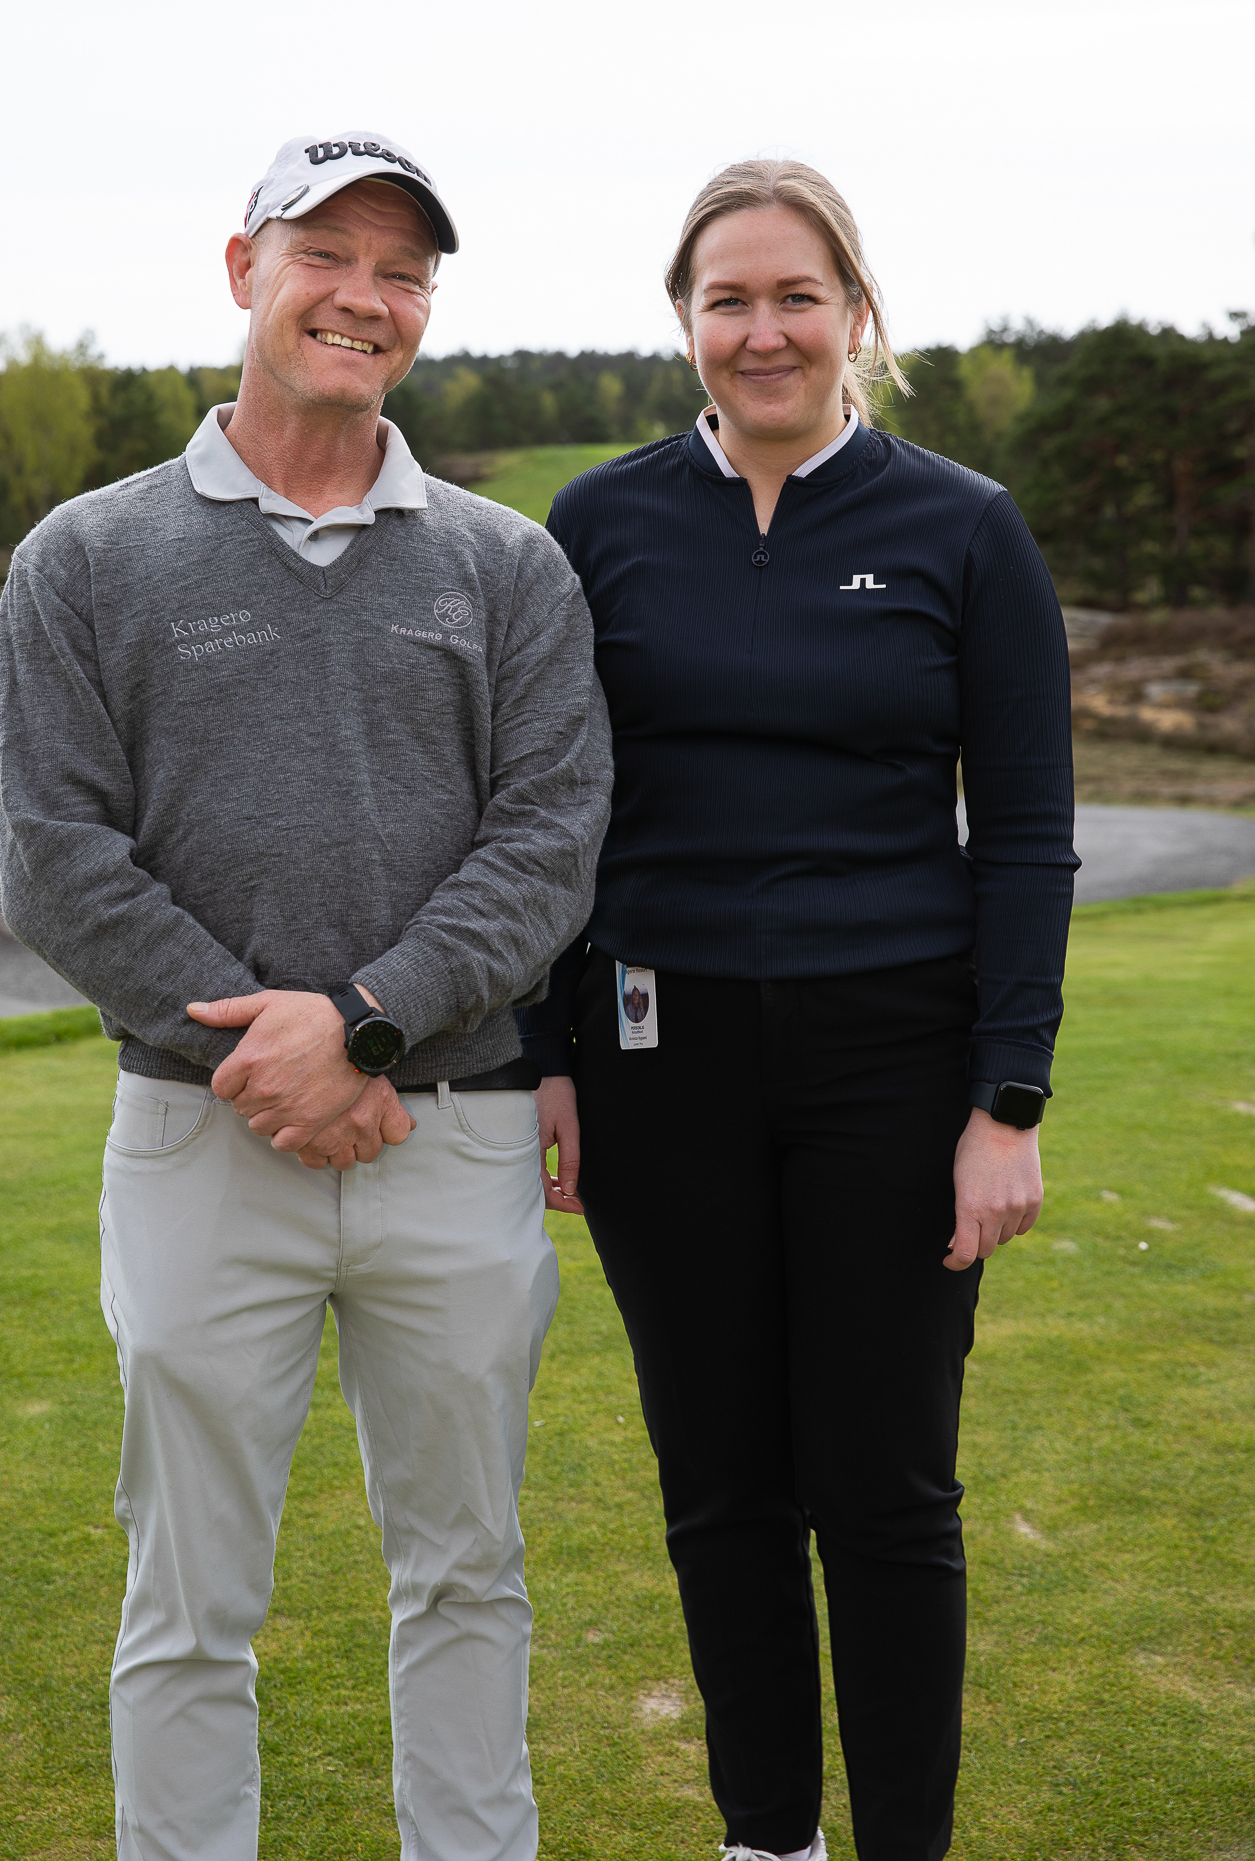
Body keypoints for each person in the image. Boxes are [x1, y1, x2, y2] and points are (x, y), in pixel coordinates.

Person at [0, 129, 612, 1861]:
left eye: (402, 270)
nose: (364, 295)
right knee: (186, 1596)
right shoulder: (85, 558)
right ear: (241, 266)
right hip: (201, 1137)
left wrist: (362, 1021)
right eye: (325, 251)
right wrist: (279, 1049)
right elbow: (54, 855)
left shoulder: (505, 564)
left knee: (467, 1575)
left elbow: (550, 842)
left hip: (452, 1128)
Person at [519, 159, 1077, 1861]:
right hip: (653, 1061)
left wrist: (1006, 1097)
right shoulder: (598, 525)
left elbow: (1030, 831)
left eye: (793, 295)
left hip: (893, 1067)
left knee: (886, 1491)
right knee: (721, 1491)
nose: (760, 332)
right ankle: (765, 1836)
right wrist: (546, 1055)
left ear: (852, 312)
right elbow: (553, 804)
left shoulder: (959, 525)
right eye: (724, 300)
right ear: (682, 322)